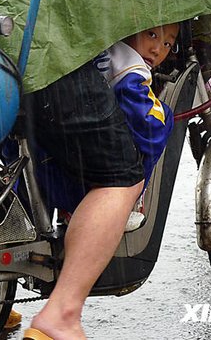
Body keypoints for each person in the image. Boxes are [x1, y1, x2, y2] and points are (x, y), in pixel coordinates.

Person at [23, 22, 179, 340]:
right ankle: (62, 315)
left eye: (168, 44)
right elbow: (146, 128)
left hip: (31, 107)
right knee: (121, 179)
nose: (157, 49)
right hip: (63, 114)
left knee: (18, 194)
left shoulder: (102, 51)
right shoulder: (131, 68)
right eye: (152, 35)